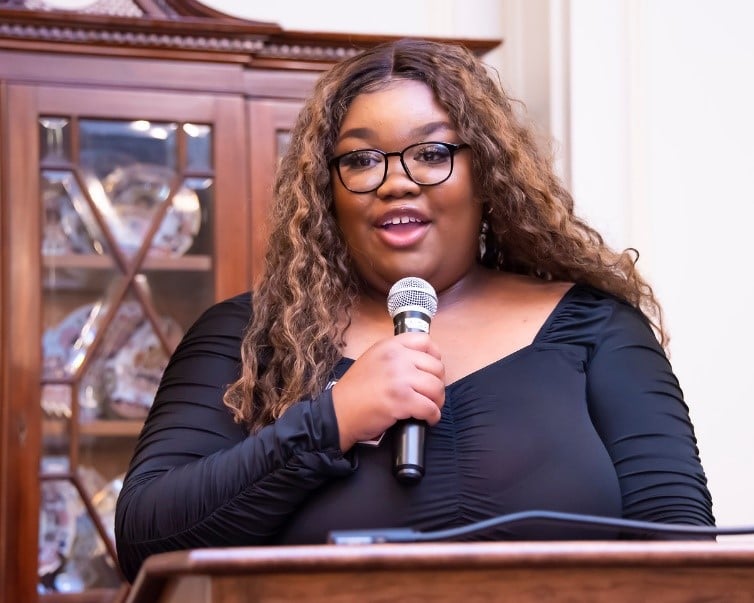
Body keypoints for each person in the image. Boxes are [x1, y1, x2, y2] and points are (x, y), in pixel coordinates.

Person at [114, 38, 714, 582]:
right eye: (360, 159)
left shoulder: (596, 328)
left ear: (487, 173)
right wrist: (332, 421)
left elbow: (686, 562)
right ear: (327, 192)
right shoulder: (247, 336)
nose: (395, 182)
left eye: (431, 152)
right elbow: (147, 541)